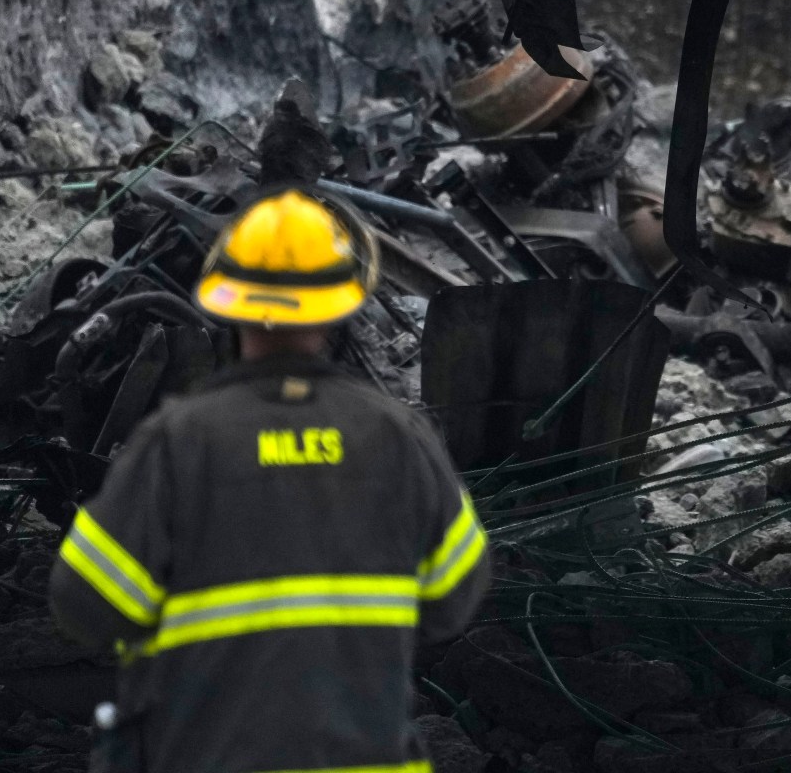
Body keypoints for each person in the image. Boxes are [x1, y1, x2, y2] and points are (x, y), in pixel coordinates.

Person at [50, 188, 487, 773]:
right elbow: (455, 600)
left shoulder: (179, 441)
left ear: (229, 305)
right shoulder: (399, 436)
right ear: (338, 309)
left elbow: (85, 604)